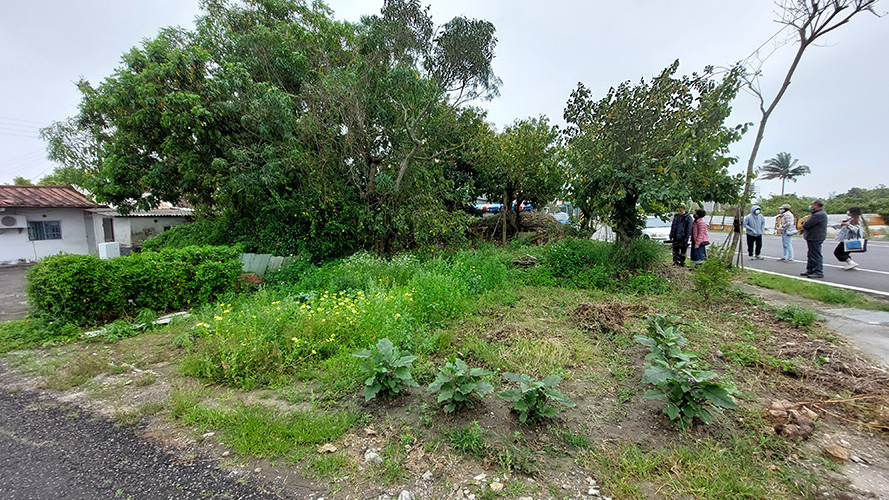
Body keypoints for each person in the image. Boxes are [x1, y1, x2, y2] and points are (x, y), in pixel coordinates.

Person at [833, 206, 868, 271]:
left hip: (850, 240)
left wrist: (848, 225)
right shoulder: (850, 219)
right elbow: (843, 226)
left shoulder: (858, 220)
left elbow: (857, 230)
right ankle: (851, 263)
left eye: (850, 212)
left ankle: (851, 263)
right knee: (844, 253)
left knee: (837, 252)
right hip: (846, 239)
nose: (848, 213)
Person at [800, 200, 828, 278]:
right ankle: (810, 269)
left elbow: (806, 224)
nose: (811, 206)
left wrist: (805, 223)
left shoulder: (818, 215)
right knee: (811, 254)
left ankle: (818, 271)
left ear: (816, 205)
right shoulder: (817, 214)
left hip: (815, 237)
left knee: (815, 255)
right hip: (812, 237)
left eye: (812, 204)